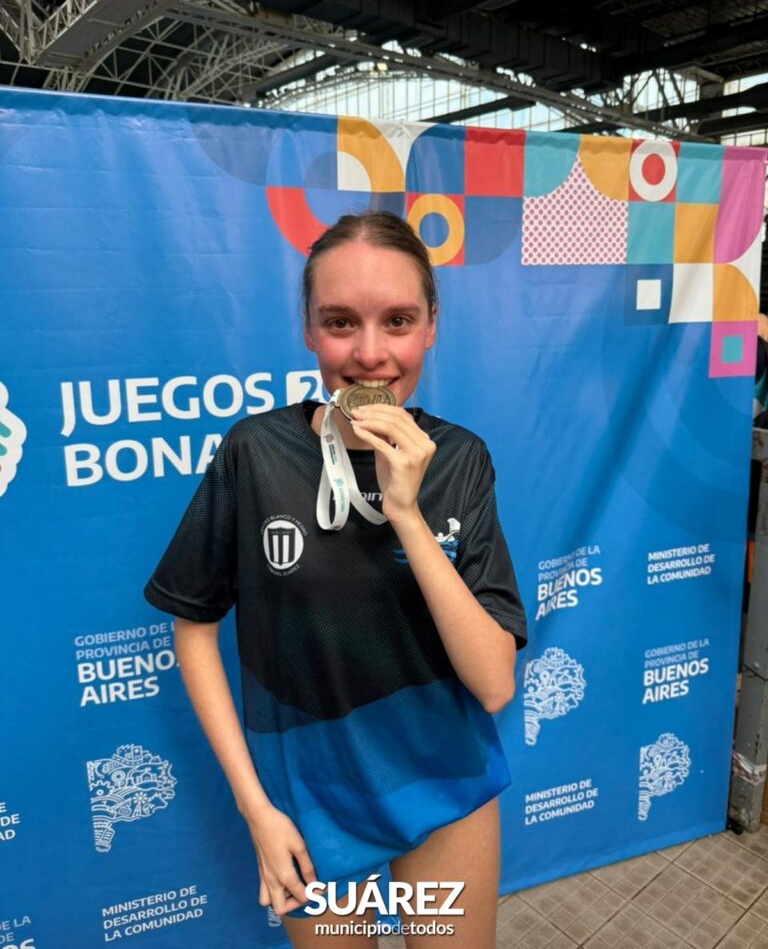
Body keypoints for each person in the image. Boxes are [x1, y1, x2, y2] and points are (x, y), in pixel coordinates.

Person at [144, 210, 528, 949]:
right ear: (309, 330)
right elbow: (193, 628)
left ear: (432, 326)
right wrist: (256, 807)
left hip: (444, 785)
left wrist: (407, 514)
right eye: (341, 322)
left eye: (399, 321)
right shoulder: (255, 452)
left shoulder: (461, 460)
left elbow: (493, 685)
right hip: (306, 802)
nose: (371, 353)